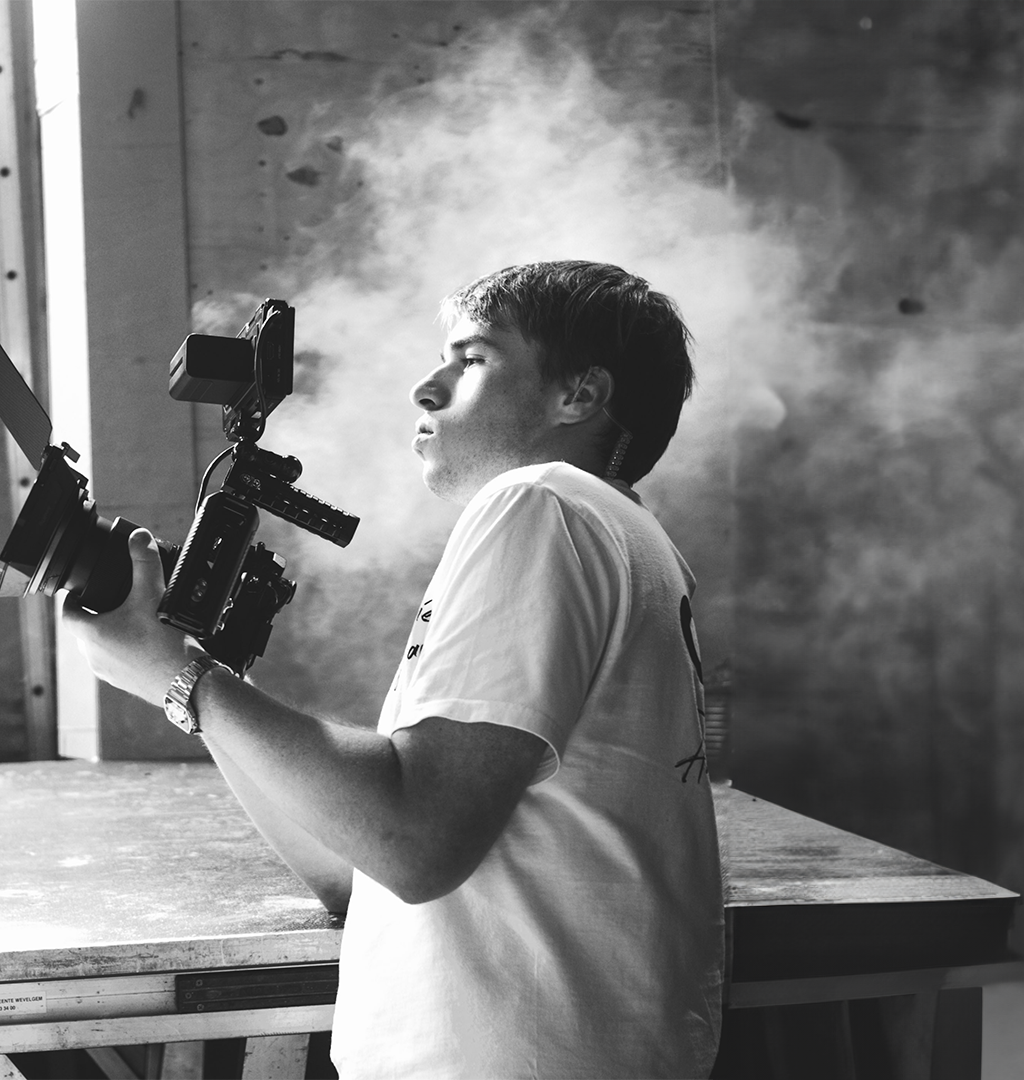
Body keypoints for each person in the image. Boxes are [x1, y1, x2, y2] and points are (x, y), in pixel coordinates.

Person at [63, 260, 723, 1078]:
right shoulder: (632, 540)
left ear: (579, 395)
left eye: (471, 358)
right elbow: (358, 867)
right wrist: (195, 684)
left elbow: (415, 843)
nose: (425, 387)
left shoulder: (542, 503)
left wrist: (185, 682)